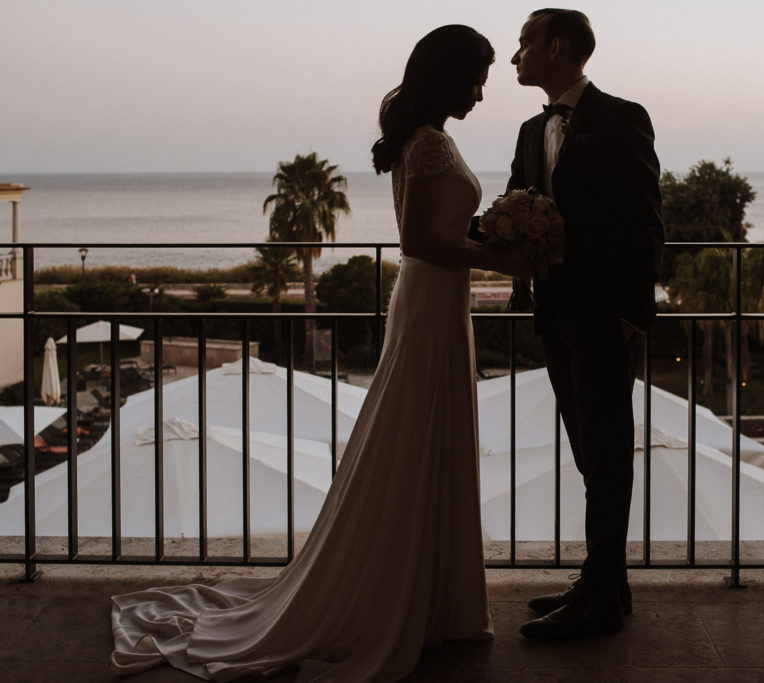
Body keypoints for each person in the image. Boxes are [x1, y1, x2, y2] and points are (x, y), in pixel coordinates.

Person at [110, 25, 525, 681]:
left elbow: (441, 229)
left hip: (440, 300)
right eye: (476, 79)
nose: (480, 93)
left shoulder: (432, 141)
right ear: (448, 77)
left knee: (431, 436)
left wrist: (488, 239)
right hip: (429, 300)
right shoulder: (429, 143)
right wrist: (498, 258)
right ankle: (405, 599)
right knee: (415, 435)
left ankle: (434, 601)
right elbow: (417, 241)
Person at [507, 9, 664, 640]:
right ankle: (608, 584)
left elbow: (646, 220)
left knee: (607, 454)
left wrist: (630, 315)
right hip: (554, 312)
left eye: (523, 43)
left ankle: (598, 599)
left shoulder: (622, 118)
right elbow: (517, 206)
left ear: (555, 47)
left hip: (603, 315)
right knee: (586, 451)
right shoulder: (529, 130)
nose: (515, 56)